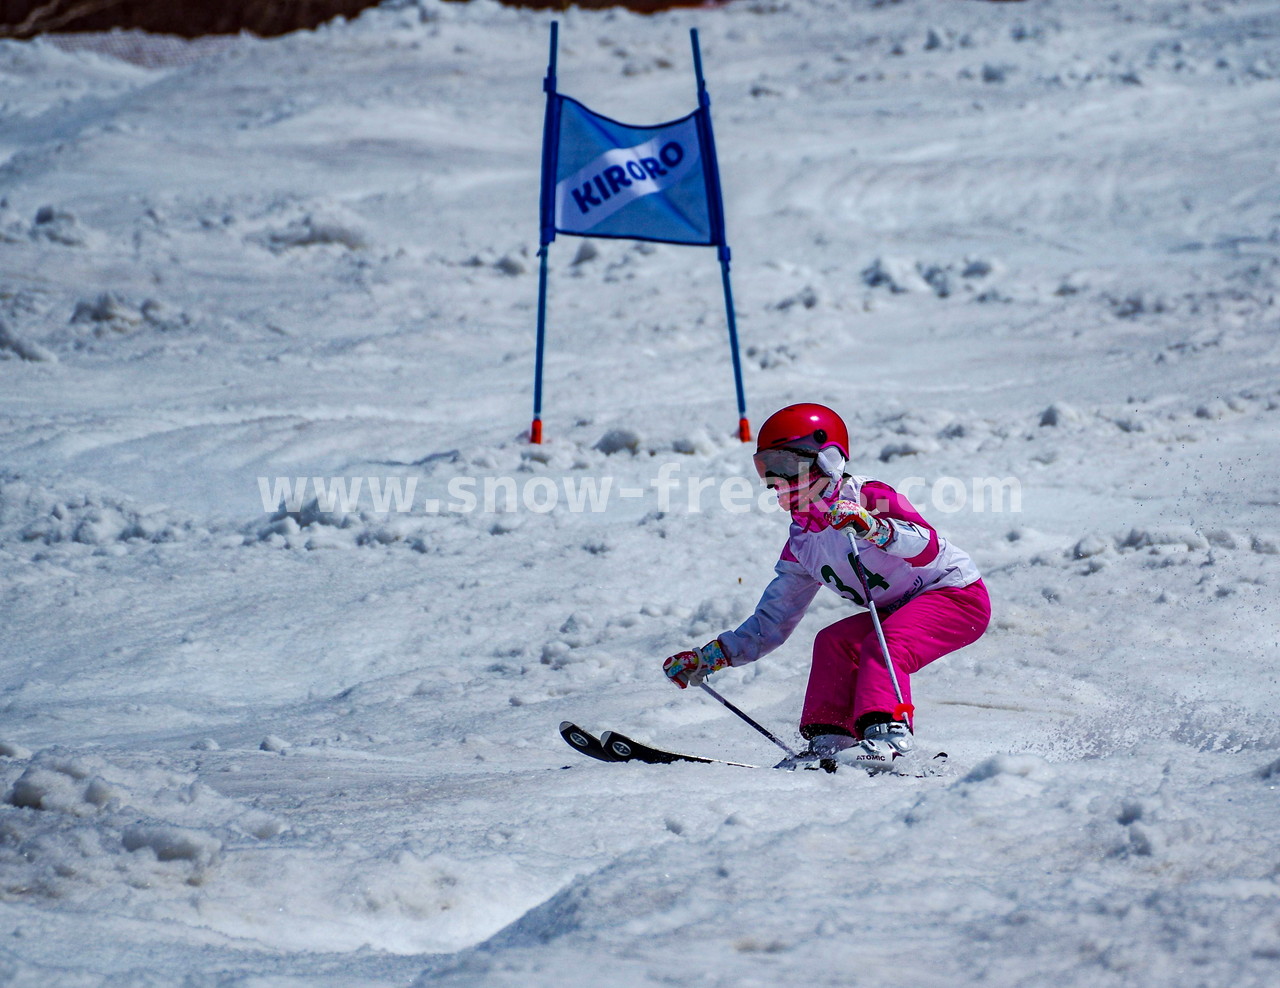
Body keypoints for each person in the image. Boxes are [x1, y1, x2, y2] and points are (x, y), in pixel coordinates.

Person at [662, 402, 991, 771]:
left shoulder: (868, 497)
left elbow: (927, 546)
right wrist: (713, 656)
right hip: (899, 609)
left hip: (955, 595)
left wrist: (874, 527)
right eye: (768, 469)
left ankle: (890, 739)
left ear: (829, 459)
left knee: (887, 644)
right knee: (834, 643)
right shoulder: (802, 542)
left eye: (788, 465)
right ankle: (832, 742)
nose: (778, 480)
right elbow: (773, 620)